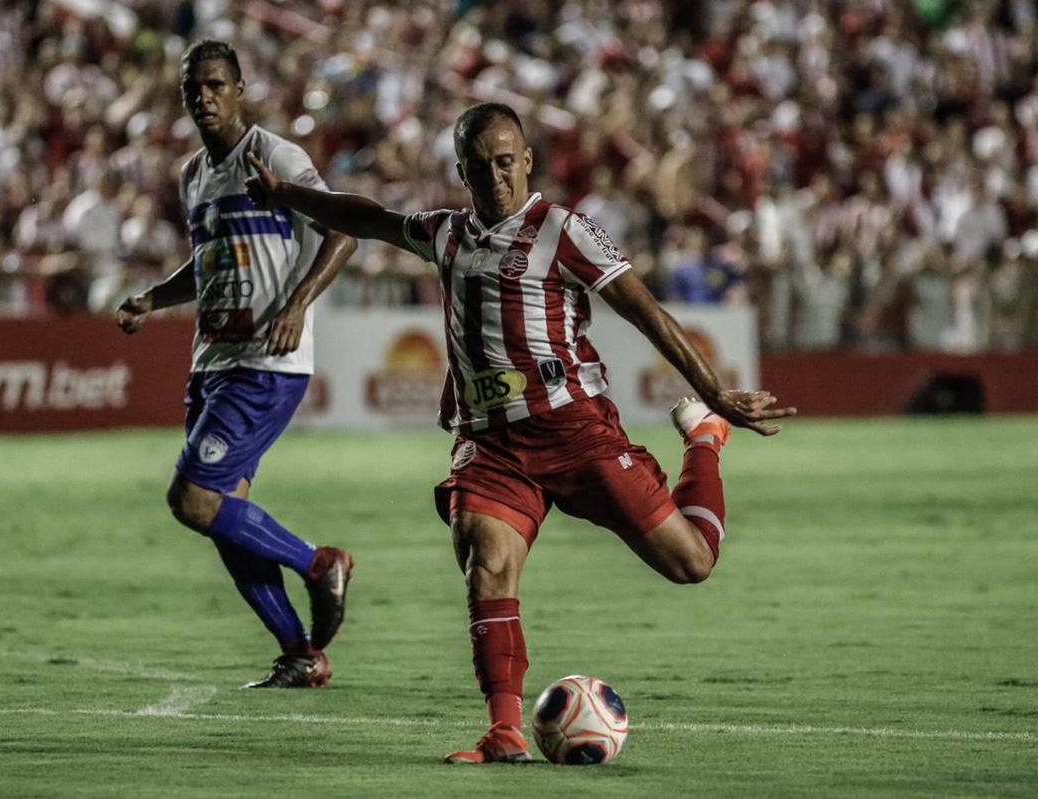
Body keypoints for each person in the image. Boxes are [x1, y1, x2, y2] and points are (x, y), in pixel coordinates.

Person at [246, 102, 796, 760]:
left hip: (576, 431)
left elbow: (647, 314)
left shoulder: (564, 231)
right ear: (463, 171)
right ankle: (504, 728)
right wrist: (285, 194)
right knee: (488, 567)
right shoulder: (445, 233)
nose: (496, 176)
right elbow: (367, 218)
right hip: (493, 445)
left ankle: (702, 440)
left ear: (528, 160)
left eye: (506, 162)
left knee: (692, 563)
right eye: (481, 167)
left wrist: (713, 394)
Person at [115, 39, 358, 689]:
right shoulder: (193, 175)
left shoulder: (275, 156)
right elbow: (209, 263)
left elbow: (342, 229)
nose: (205, 97)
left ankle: (319, 562)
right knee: (229, 523)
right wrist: (154, 298)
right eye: (194, 88)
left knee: (192, 499)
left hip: (266, 361)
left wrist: (300, 304)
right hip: (213, 361)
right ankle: (300, 654)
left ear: (241, 88)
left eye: (217, 84)